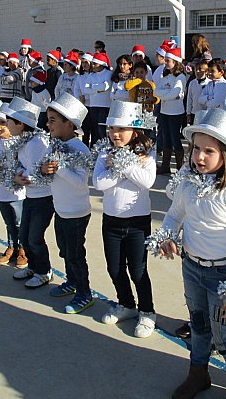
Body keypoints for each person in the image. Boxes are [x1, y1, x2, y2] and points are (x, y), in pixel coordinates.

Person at [150, 108, 226, 399]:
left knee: (224, 335)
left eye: (209, 151)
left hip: (224, 275)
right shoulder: (188, 183)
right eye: (196, 148)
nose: (199, 157)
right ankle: (198, 374)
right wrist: (168, 236)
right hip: (192, 268)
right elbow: (174, 215)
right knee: (198, 325)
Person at [93, 101, 157, 337]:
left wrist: (119, 166)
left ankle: (148, 312)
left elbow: (147, 181)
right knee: (115, 268)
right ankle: (127, 304)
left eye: (121, 129)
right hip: (111, 221)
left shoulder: (147, 153)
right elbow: (99, 183)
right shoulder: (103, 152)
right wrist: (127, 169)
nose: (115, 134)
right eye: (111, 129)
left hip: (138, 222)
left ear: (135, 131)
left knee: (138, 270)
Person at [38, 93, 94, 314]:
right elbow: (46, 173)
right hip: (61, 209)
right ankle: (72, 281)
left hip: (76, 213)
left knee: (75, 254)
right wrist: (44, 169)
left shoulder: (80, 149)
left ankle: (84, 292)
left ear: (69, 123)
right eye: (48, 119)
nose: (47, 124)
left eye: (53, 120)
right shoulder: (54, 145)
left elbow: (81, 182)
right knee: (64, 251)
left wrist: (58, 167)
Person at [11, 97, 55, 288]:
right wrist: (18, 174)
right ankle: (34, 266)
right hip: (31, 196)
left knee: (35, 237)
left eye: (8, 122)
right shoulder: (23, 141)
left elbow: (40, 171)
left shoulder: (36, 143)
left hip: (44, 197)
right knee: (25, 235)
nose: (5, 125)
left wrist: (24, 177)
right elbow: (23, 166)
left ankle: (44, 271)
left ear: (20, 124)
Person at [0, 103, 27, 267]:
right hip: (1, 191)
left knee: (20, 222)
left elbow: (24, 170)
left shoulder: (21, 145)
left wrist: (2, 174)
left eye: (3, 123)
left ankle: (23, 249)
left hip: (18, 193)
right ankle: (11, 246)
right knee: (9, 222)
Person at [156, 47, 186, 174]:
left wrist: (164, 95)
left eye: (168, 61)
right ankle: (165, 165)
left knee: (175, 139)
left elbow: (176, 92)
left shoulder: (180, 77)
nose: (166, 63)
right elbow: (156, 90)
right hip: (165, 111)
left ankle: (180, 167)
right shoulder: (166, 76)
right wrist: (166, 95)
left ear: (175, 62)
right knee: (165, 138)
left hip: (176, 113)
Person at [81, 52, 112, 144]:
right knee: (94, 128)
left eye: (95, 64)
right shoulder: (91, 75)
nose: (93, 66)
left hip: (105, 105)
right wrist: (97, 90)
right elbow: (85, 89)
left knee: (101, 128)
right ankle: (94, 146)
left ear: (102, 64)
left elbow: (105, 87)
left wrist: (92, 87)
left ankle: (103, 145)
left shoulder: (108, 73)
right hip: (93, 105)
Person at [185, 60, 209, 125]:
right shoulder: (192, 83)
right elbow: (189, 98)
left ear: (206, 71)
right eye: (196, 70)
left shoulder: (209, 83)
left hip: (205, 113)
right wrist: (188, 113)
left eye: (200, 69)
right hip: (194, 113)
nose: (197, 72)